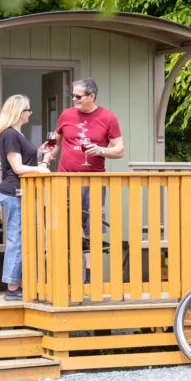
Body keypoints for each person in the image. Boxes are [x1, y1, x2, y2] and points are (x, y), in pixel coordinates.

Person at [47, 78, 124, 281]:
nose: (74, 99)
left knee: (92, 230)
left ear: (92, 96)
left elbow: (120, 150)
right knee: (65, 227)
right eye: (73, 95)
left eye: (78, 96)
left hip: (93, 183)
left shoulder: (108, 118)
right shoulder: (66, 115)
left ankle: (90, 277)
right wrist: (47, 156)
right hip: (66, 181)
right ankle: (65, 274)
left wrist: (101, 150)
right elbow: (54, 141)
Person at [0, 94, 52, 301]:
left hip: (18, 193)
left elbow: (23, 158)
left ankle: (14, 285)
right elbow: (18, 168)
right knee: (16, 239)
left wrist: (40, 152)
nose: (30, 113)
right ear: (20, 112)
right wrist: (41, 168)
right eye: (28, 110)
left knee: (18, 238)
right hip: (13, 192)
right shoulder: (10, 134)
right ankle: (11, 289)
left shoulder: (16, 134)